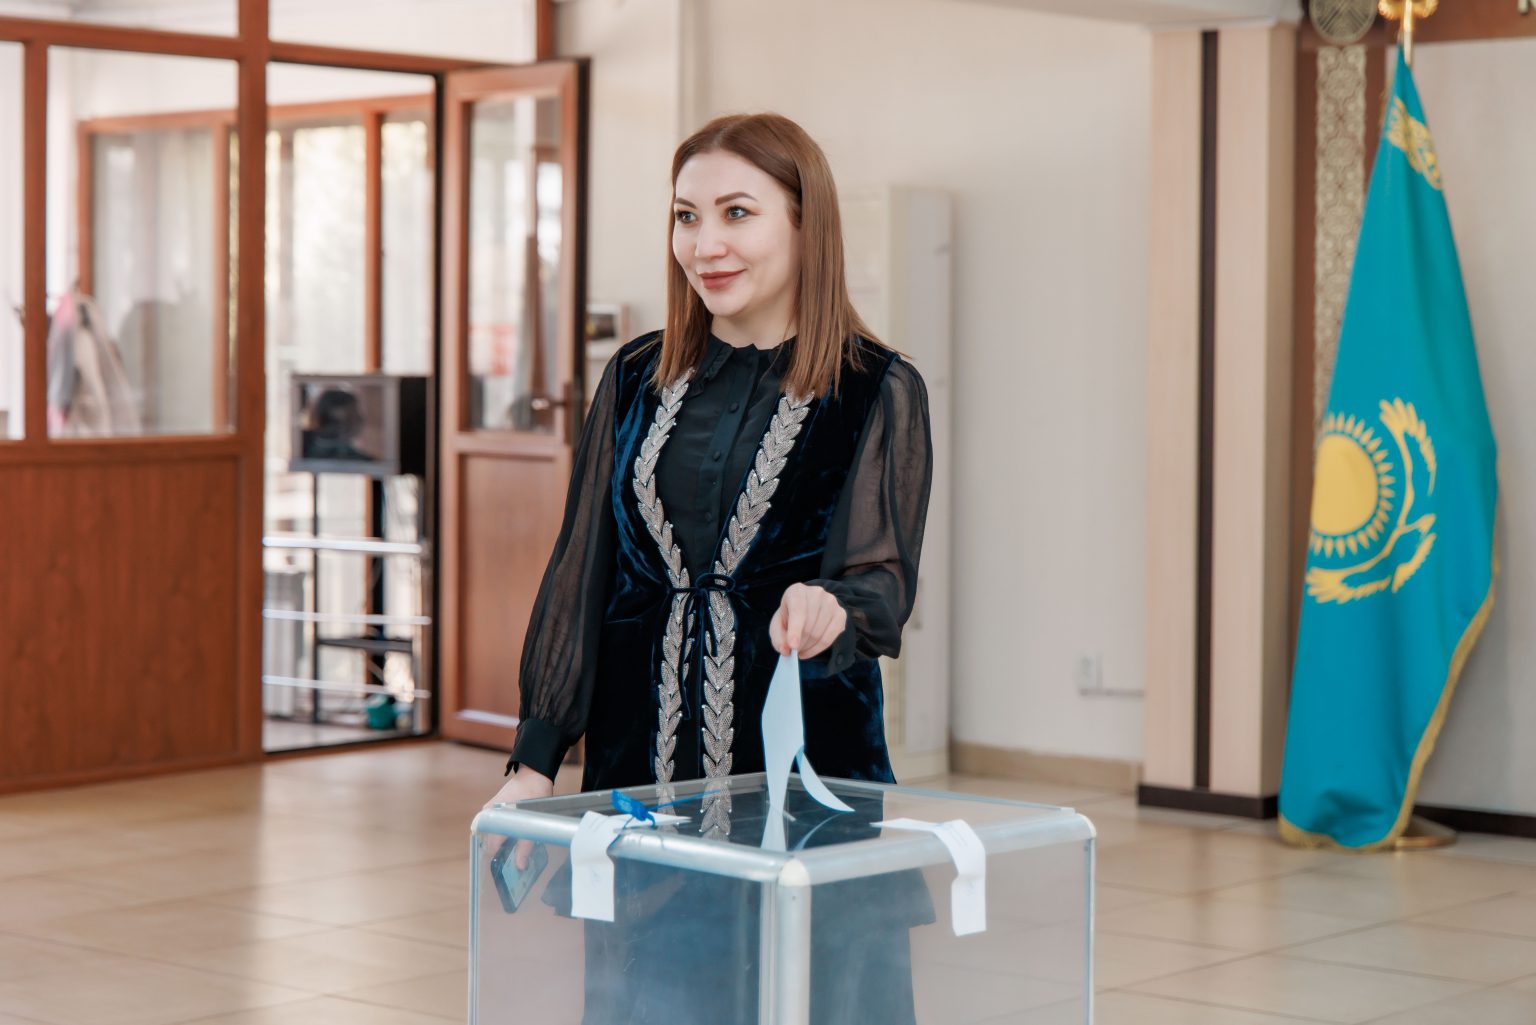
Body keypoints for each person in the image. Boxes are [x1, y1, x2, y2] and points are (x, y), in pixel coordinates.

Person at [484, 112, 934, 1023]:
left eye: (737, 213)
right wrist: (535, 760)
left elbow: (882, 583)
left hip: (806, 792)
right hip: (638, 795)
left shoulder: (875, 387)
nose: (705, 244)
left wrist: (832, 605)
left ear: (805, 223)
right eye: (687, 216)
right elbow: (582, 572)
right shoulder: (635, 376)